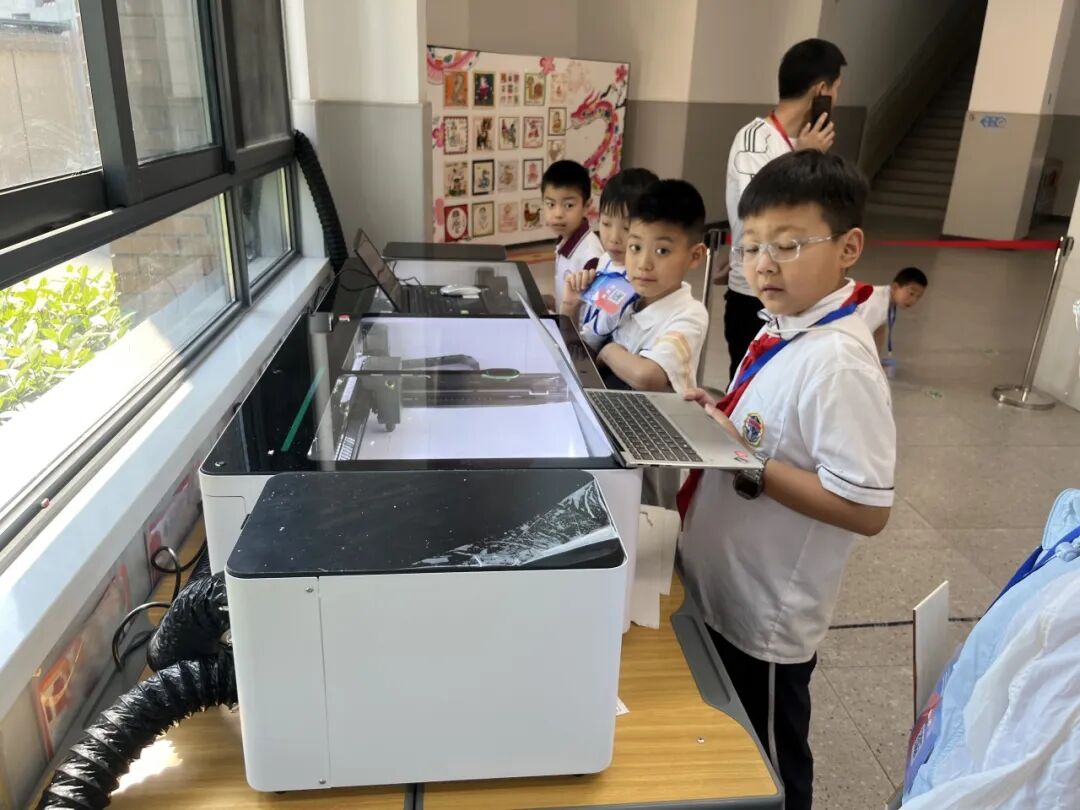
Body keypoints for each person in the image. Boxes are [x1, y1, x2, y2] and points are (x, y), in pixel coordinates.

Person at [677, 151, 896, 810]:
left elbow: (867, 509)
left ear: (848, 247)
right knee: (731, 749)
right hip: (727, 586)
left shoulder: (839, 364)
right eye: (750, 247)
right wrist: (717, 414)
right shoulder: (787, 325)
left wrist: (745, 461)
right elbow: (770, 428)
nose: (763, 264)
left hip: (765, 616)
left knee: (772, 767)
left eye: (788, 245)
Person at [723, 38, 847, 382]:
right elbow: (761, 212)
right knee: (748, 386)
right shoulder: (754, 140)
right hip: (755, 292)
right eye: (837, 88)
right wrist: (804, 158)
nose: (837, 97)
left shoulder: (809, 144)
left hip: (798, 290)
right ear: (821, 90)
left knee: (784, 385)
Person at [560, 167, 659, 349]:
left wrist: (567, 315)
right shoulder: (606, 259)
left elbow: (591, 340)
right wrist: (569, 305)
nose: (613, 238)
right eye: (606, 223)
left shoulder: (634, 280)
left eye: (626, 228)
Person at [542, 160, 604, 312]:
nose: (558, 214)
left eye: (568, 205)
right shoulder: (564, 239)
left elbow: (590, 313)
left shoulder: (591, 258)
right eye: (551, 204)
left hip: (573, 326)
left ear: (586, 206)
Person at [859, 266, 928, 356]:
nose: (913, 300)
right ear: (895, 287)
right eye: (911, 293)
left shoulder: (887, 299)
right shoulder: (877, 304)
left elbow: (879, 331)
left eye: (918, 297)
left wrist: (876, 358)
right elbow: (860, 335)